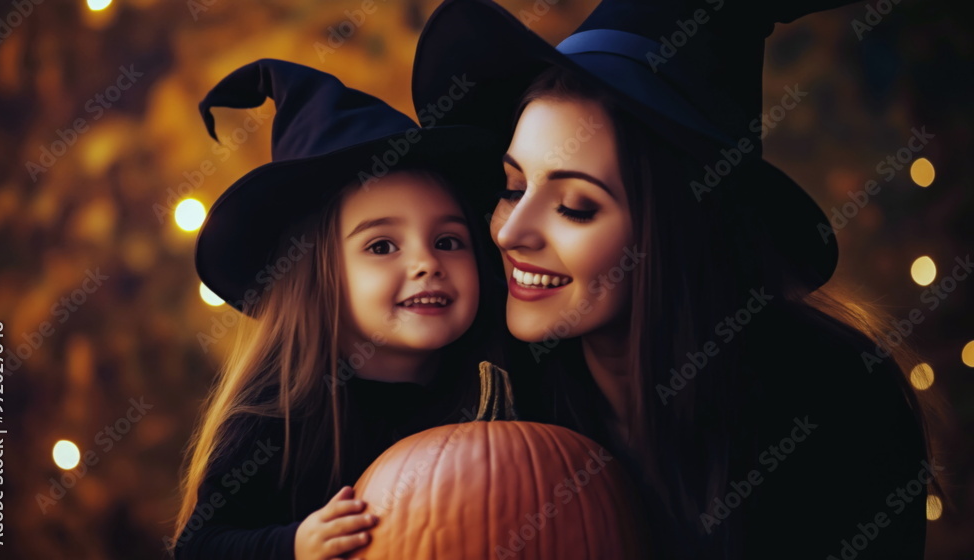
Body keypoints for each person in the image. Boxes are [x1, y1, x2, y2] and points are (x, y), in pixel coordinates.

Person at [411, 1, 939, 558]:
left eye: (575, 207)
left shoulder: (835, 408)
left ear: (675, 227)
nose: (511, 232)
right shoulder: (482, 379)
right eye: (513, 188)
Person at [170, 58, 505, 560]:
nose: (427, 263)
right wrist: (294, 546)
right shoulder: (277, 415)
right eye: (382, 246)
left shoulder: (498, 381)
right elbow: (199, 547)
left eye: (448, 241)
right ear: (317, 279)